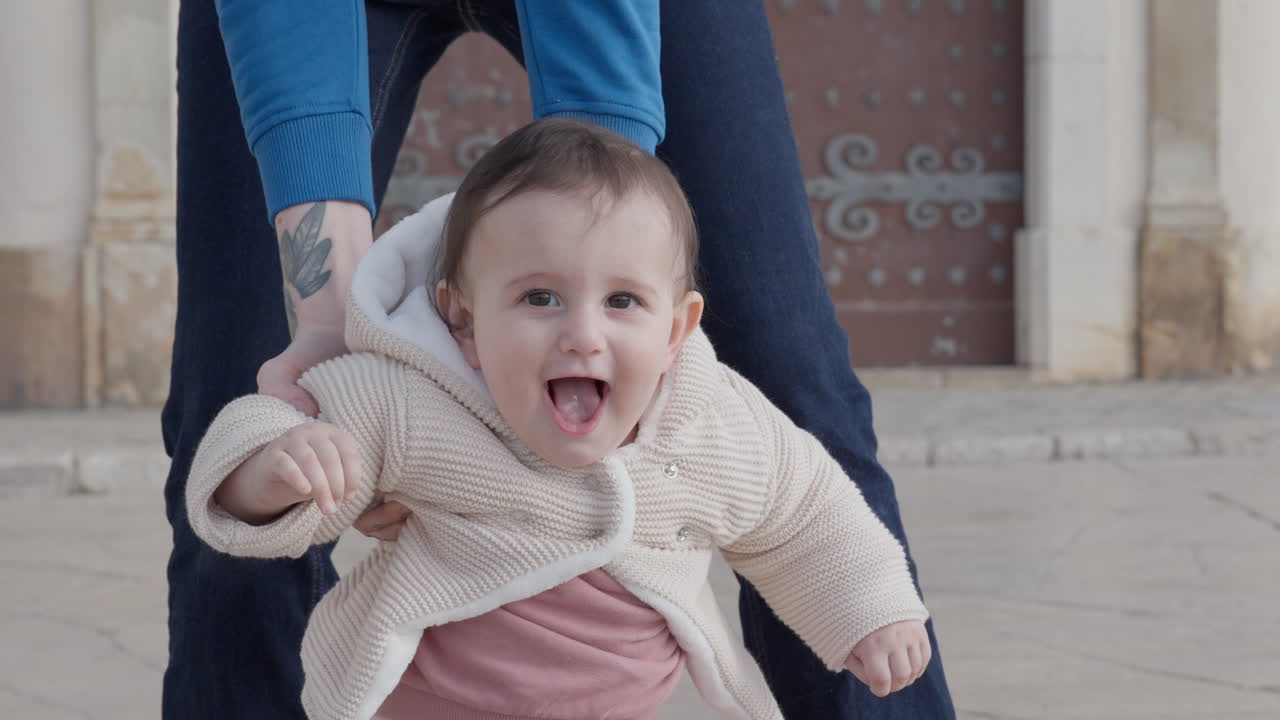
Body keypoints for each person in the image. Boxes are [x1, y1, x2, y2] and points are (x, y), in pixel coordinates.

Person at [164, 1, 955, 718]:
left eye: (620, 312)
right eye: (541, 303)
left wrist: (613, 271)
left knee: (790, 376)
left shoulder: (709, 423)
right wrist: (332, 353)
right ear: (459, 324)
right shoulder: (404, 408)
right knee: (246, 383)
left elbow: (803, 502)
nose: (582, 334)